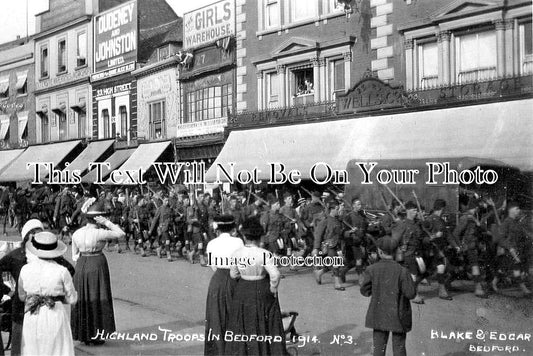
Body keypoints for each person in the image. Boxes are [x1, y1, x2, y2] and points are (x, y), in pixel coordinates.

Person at [0, 219, 74, 356]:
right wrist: (6, 291)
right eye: (33, 233)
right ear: (25, 236)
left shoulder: (51, 256)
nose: (36, 236)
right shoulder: (16, 255)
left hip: (48, 308)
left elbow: (70, 270)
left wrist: (56, 293)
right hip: (22, 306)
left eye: (39, 233)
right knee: (22, 343)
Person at [225, 217, 288, 356]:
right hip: (261, 288)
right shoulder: (264, 254)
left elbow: (233, 274)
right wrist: (272, 288)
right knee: (264, 323)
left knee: (243, 322)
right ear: (259, 237)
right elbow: (275, 275)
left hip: (243, 289)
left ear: (245, 236)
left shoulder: (237, 253)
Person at [71, 198, 125, 345]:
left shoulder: (77, 234)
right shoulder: (100, 233)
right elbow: (120, 233)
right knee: (99, 297)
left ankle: (83, 334)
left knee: (84, 298)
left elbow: (74, 255)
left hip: (82, 264)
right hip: (97, 262)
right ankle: (97, 333)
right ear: (98, 218)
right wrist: (107, 223)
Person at [18, 231, 78, 356]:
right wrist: (59, 298)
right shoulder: (62, 271)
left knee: (32, 349)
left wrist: (35, 298)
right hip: (54, 312)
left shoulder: (25, 269)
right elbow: (72, 298)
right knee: (57, 349)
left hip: (32, 313)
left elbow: (22, 296)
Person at [360, 236, 416, 356]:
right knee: (399, 348)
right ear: (396, 251)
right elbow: (411, 294)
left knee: (379, 348)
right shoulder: (402, 271)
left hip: (379, 314)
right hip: (399, 315)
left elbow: (365, 291)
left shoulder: (372, 269)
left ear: (379, 252)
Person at [204, 215, 244, 356]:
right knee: (235, 317)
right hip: (234, 280)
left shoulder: (211, 244)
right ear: (232, 228)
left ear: (218, 229)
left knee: (216, 318)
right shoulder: (238, 242)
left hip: (217, 281)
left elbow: (213, 266)